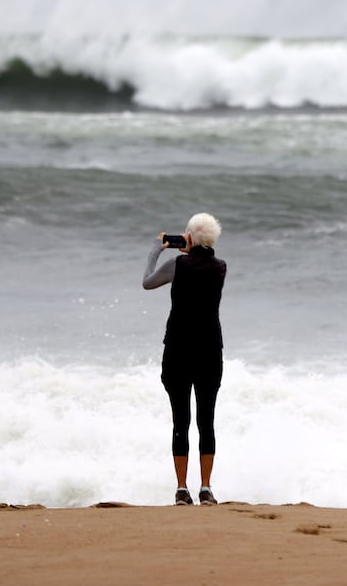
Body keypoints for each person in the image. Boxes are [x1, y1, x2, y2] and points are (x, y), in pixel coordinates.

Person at [142, 212, 227, 506]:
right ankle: (206, 488)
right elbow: (201, 262)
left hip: (178, 350)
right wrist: (192, 247)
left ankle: (181, 489)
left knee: (181, 420)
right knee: (207, 421)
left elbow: (148, 282)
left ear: (189, 236)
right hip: (209, 351)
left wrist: (156, 251)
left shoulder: (177, 265)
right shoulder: (220, 268)